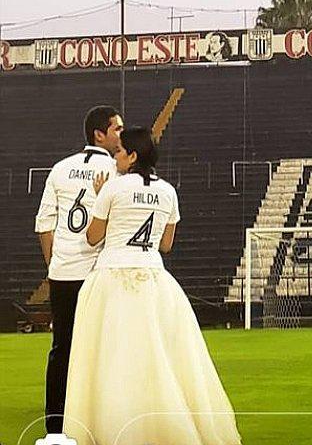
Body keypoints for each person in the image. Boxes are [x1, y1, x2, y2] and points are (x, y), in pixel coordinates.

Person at [64, 127, 240, 445]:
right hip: (154, 279)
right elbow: (166, 244)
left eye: (118, 152)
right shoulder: (168, 191)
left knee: (111, 356)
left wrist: (99, 195)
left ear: (132, 155)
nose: (114, 157)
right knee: (160, 354)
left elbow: (92, 237)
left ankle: (112, 427)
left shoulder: (113, 189)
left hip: (112, 276)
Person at [34, 105, 123, 434]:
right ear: (99, 134)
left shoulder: (59, 169)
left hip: (63, 273)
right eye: (116, 129)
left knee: (62, 348)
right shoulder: (118, 172)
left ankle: (55, 427)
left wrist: (53, 264)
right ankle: (102, 423)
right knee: (105, 347)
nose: (121, 136)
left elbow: (44, 224)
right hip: (99, 273)